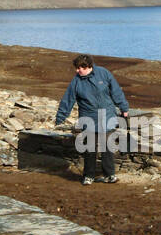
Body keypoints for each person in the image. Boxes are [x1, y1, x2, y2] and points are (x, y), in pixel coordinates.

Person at [54, 53, 129, 185]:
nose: (77, 71)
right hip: (88, 117)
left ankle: (110, 175)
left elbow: (116, 91)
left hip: (107, 115)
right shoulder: (76, 81)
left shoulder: (104, 73)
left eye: (79, 68)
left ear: (87, 66)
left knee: (107, 146)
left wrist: (124, 108)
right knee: (90, 148)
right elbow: (68, 99)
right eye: (76, 68)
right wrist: (61, 117)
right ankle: (89, 176)